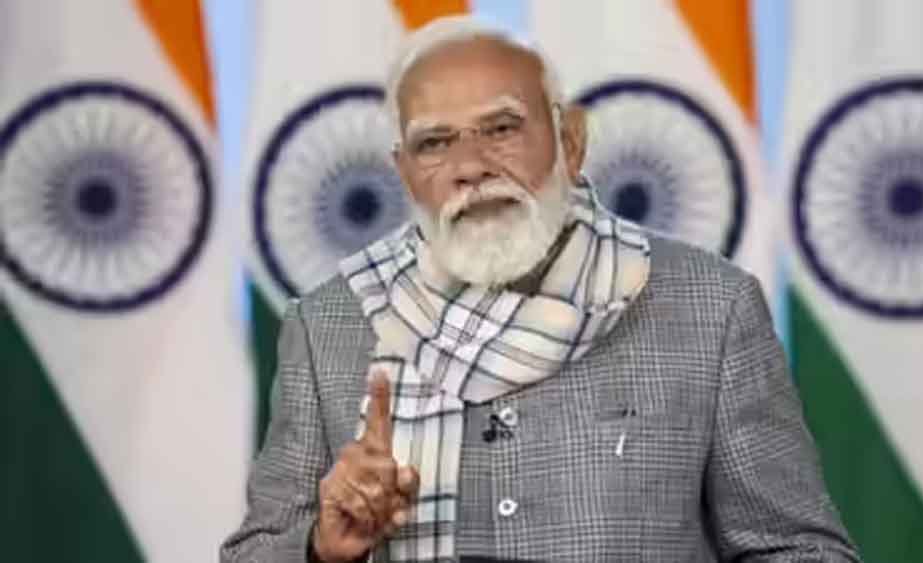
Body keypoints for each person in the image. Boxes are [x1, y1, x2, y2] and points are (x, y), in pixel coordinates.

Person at [221, 16, 860, 563]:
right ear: (404, 172)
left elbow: (798, 550)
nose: (470, 166)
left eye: (501, 128)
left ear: (570, 142)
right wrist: (321, 548)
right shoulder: (329, 325)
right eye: (435, 142)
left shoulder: (709, 307)